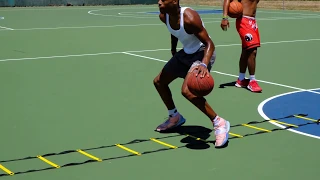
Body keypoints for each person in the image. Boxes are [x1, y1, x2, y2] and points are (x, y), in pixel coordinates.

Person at [153, 0, 230, 147]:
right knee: (159, 82)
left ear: (174, 1)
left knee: (187, 91)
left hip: (203, 53)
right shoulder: (164, 16)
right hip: (186, 53)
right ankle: (174, 117)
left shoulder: (189, 17)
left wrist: (204, 64)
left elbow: (209, 44)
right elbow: (174, 31)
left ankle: (219, 122)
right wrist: (173, 49)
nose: (159, 2)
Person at [220, 0, 262, 92]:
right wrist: (224, 17)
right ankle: (252, 81)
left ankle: (241, 80)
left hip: (252, 22)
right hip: (244, 21)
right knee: (252, 51)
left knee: (246, 51)